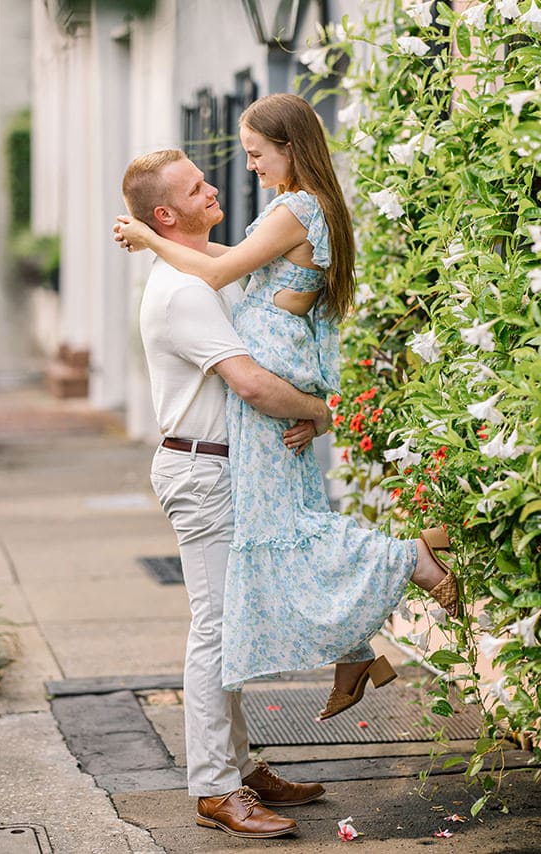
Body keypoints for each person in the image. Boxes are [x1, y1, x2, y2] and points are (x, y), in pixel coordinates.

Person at [117, 94, 456, 724]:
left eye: (254, 154)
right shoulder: (300, 209)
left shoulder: (296, 207)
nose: (245, 167)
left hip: (269, 373)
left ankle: (413, 558)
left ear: (288, 148)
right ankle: (356, 651)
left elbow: (217, 277)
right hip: (284, 367)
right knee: (290, 523)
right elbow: (230, 263)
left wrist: (147, 239)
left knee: (284, 532)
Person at [128, 148, 327, 838]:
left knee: (229, 623)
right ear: (164, 214)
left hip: (222, 465)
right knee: (214, 629)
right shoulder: (184, 290)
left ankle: (238, 767)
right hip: (203, 472)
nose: (212, 189)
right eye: (194, 188)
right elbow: (249, 382)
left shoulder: (204, 273)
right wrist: (322, 412)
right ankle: (216, 787)